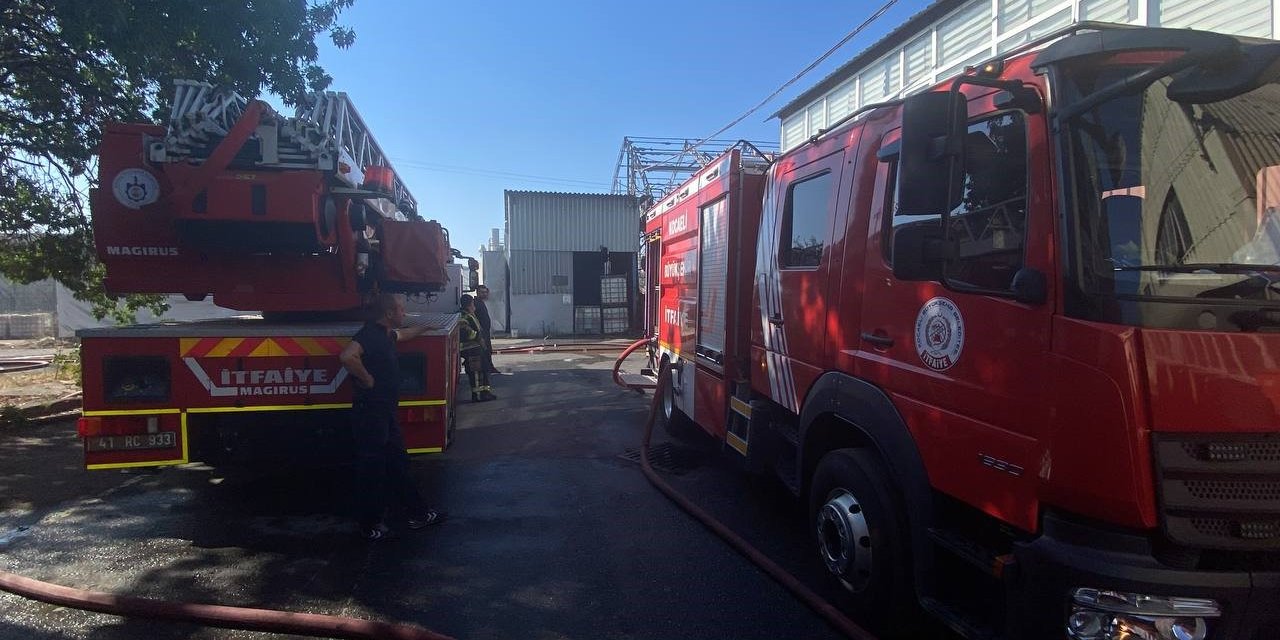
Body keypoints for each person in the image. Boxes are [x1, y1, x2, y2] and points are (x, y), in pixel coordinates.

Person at [339, 293, 445, 540]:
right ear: (388, 313)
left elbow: (403, 334)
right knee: (372, 468)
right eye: (401, 309)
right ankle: (369, 526)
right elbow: (347, 356)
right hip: (372, 413)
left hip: (385, 412)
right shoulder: (369, 335)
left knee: (398, 464)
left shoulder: (385, 334)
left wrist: (425, 328)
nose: (404, 313)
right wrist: (367, 379)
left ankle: (419, 514)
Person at [459, 294, 496, 402]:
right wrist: (478, 336)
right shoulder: (464, 316)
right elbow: (466, 332)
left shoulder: (469, 314)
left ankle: (485, 393)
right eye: (473, 303)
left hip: (476, 347)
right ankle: (478, 395)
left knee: (484, 369)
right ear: (469, 304)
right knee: (476, 372)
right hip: (471, 349)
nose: (474, 305)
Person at [474, 284, 501, 375]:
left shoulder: (480, 302)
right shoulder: (476, 303)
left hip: (485, 331)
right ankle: (487, 369)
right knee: (485, 351)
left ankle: (489, 367)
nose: (485, 294)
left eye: (485, 292)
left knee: (488, 350)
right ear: (477, 293)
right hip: (481, 332)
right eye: (482, 292)